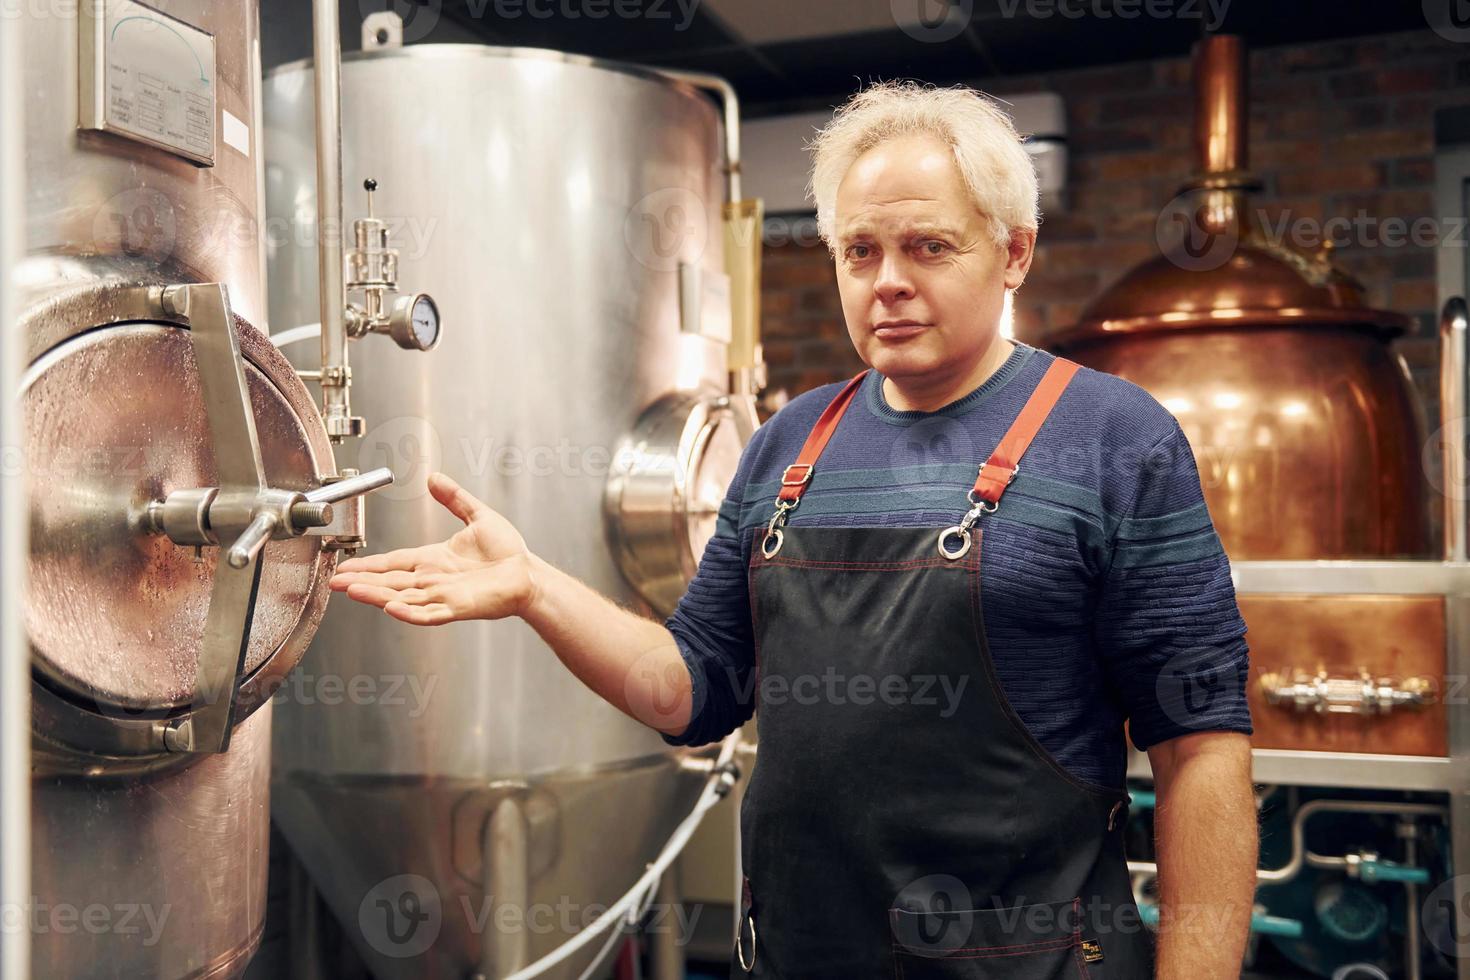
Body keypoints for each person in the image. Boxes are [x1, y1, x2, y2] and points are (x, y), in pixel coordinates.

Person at [331, 80, 1258, 979]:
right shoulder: (789, 443)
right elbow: (690, 691)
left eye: (928, 247)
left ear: (1013, 252)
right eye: (859, 253)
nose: (887, 283)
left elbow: (1200, 746)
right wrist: (536, 587)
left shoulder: (1116, 440)